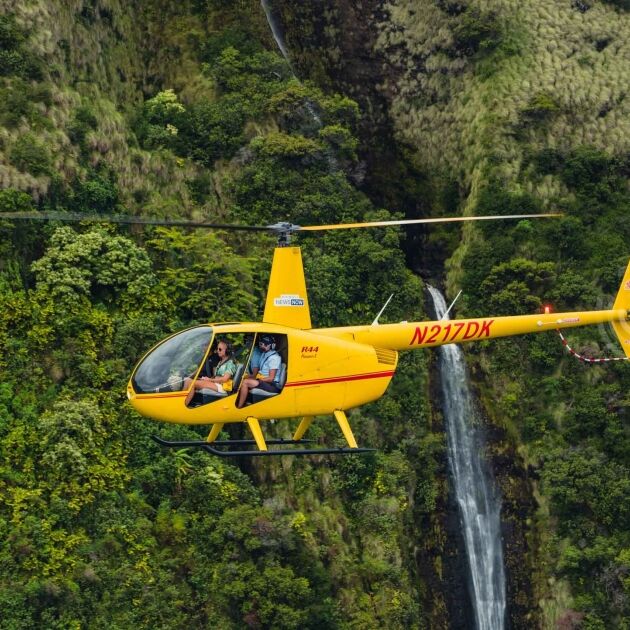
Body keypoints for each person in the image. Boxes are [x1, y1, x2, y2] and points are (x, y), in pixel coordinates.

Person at [184, 339, 237, 406]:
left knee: (192, 383)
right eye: (217, 349)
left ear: (227, 350)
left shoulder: (230, 363)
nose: (218, 351)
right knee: (188, 381)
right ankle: (181, 402)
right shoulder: (221, 362)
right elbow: (215, 376)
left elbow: (225, 379)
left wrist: (210, 380)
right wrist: (205, 379)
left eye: (220, 349)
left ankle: (184, 405)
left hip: (223, 387)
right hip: (217, 384)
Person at [236, 334, 282, 408]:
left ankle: (239, 407)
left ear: (269, 345)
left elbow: (271, 378)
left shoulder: (274, 358)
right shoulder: (265, 354)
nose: (260, 346)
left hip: (272, 385)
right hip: (263, 381)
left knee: (245, 382)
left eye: (262, 344)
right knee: (241, 380)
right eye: (260, 344)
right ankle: (244, 402)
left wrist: (257, 379)